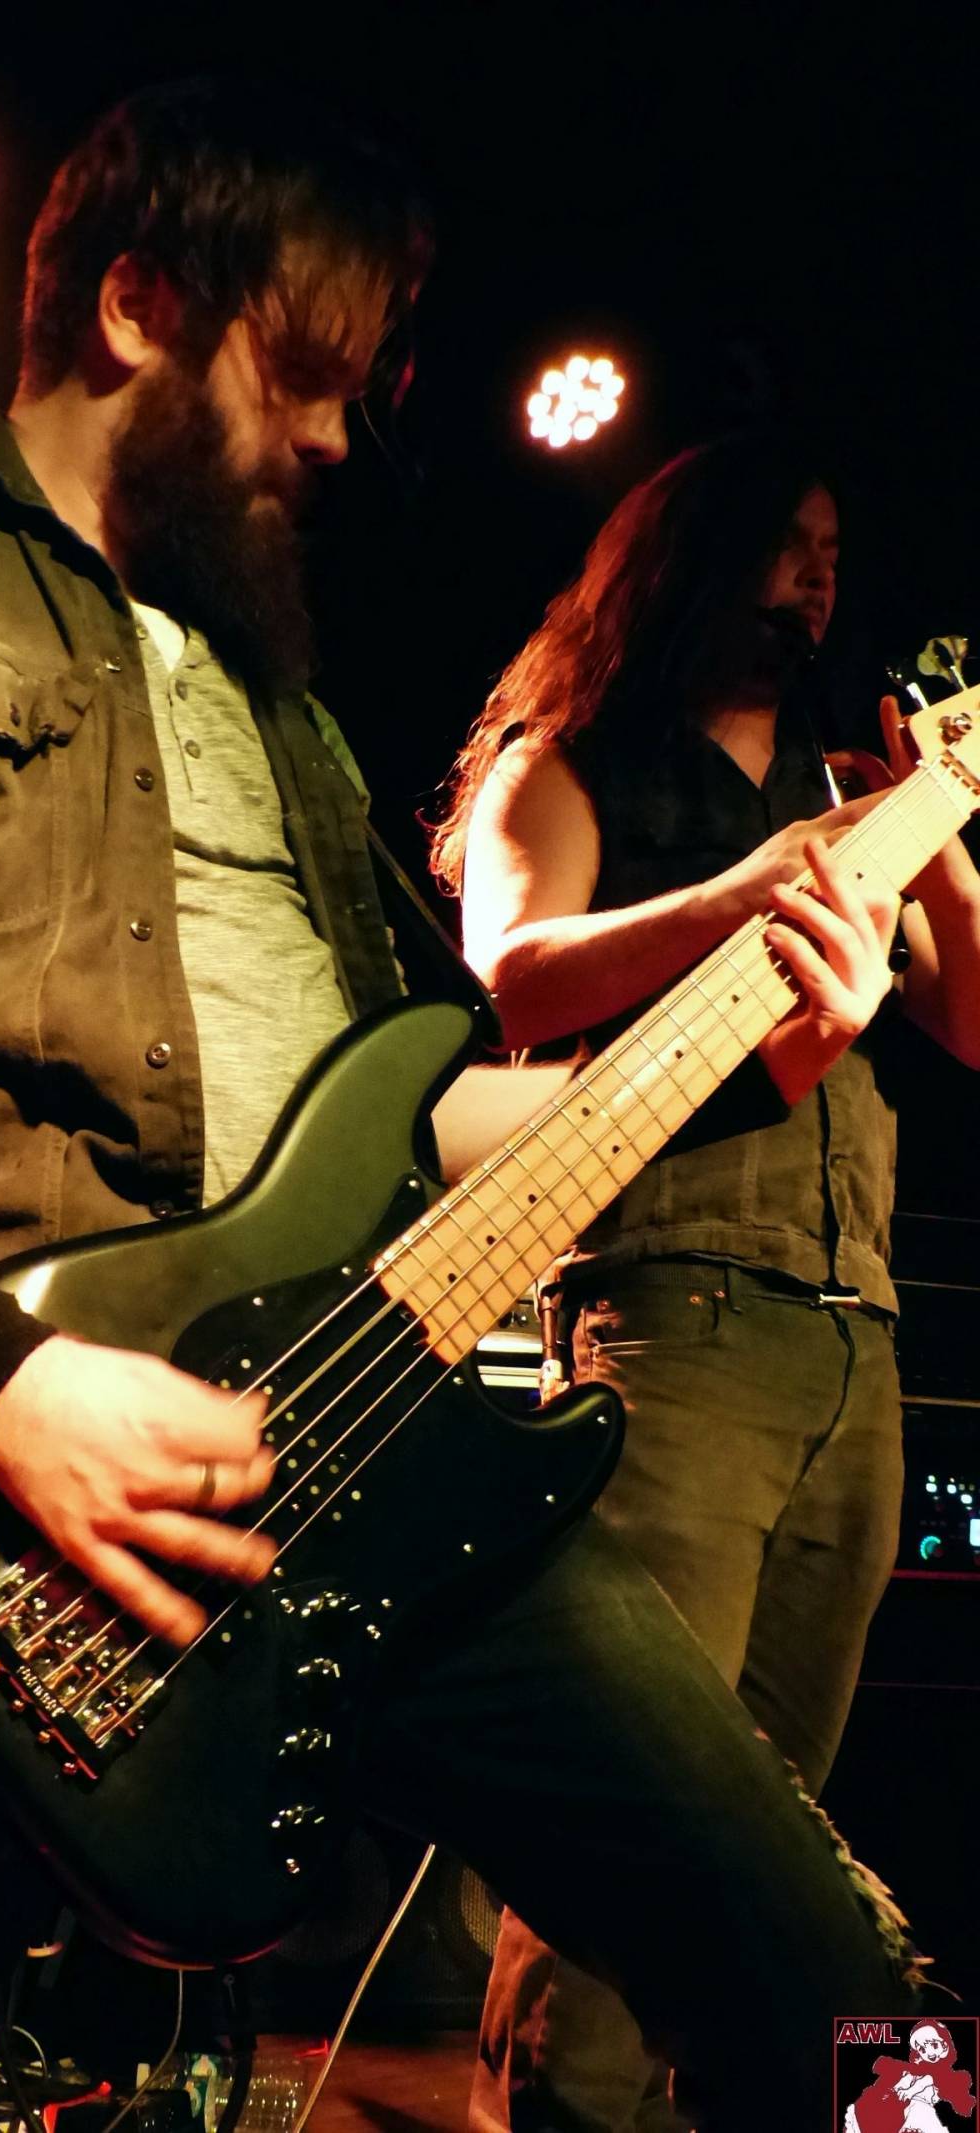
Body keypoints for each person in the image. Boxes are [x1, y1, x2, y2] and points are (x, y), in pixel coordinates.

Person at [0, 89, 922, 2133]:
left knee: (848, 2005)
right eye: (302, 372)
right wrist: (5, 1380)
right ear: (136, 307)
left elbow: (417, 1131)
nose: (336, 438)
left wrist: (745, 1036)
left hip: (363, 1456)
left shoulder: (285, 713)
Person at [435, 434, 980, 2133]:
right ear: (692, 555)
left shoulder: (849, 782)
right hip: (670, 1315)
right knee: (626, 1814)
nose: (820, 575)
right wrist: (737, 894)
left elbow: (972, 1018)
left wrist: (939, 817)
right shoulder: (570, 757)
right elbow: (515, 973)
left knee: (770, 1827)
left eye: (834, 549)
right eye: (787, 542)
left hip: (854, 1338)